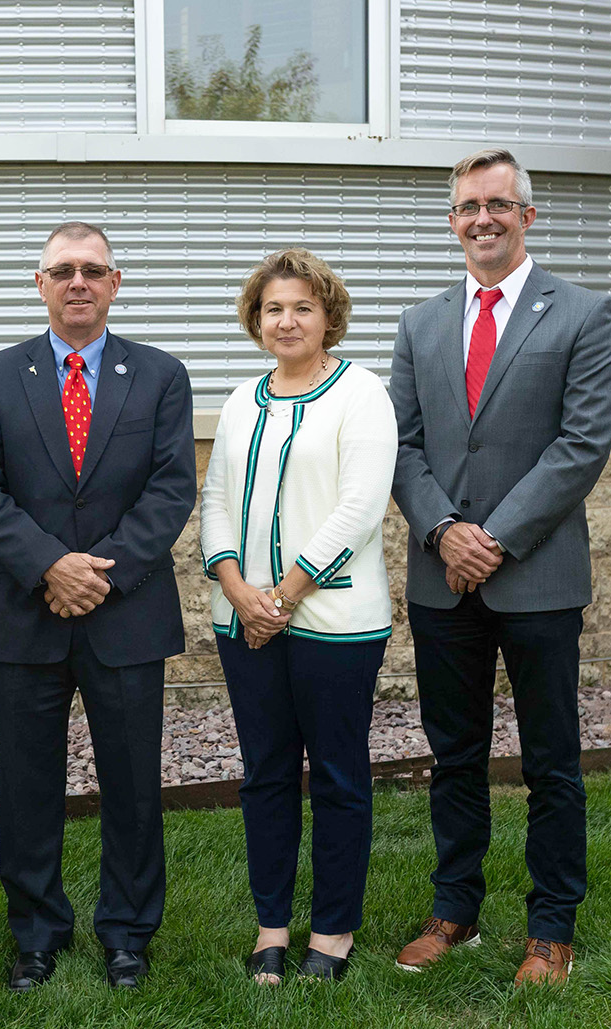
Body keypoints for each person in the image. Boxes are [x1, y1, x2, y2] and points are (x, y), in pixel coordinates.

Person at [389, 147, 611, 985]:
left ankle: (551, 925)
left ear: (528, 213)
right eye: (466, 207)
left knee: (550, 759)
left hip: (538, 576)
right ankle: (455, 908)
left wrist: (492, 538)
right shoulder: (418, 324)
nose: (481, 219)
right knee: (455, 755)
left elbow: (582, 442)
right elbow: (402, 445)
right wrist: (446, 530)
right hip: (440, 577)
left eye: (497, 204)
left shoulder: (584, 313)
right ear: (452, 222)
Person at [0, 221, 196, 991]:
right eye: (62, 270)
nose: (78, 283)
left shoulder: (160, 375)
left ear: (115, 282)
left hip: (126, 612)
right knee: (27, 784)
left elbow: (170, 489)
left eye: (93, 269)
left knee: (132, 783)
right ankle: (36, 932)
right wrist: (49, 567)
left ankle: (128, 931)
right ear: (40, 284)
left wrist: (99, 574)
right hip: (28, 611)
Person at [199, 248, 397, 983]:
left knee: (340, 776)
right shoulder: (243, 398)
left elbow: (360, 507)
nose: (287, 320)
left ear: (328, 316)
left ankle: (335, 931)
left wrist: (280, 596)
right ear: (257, 318)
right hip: (242, 620)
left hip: (336, 625)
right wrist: (238, 589)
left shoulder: (362, 393)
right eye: (274, 308)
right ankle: (271, 926)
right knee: (266, 774)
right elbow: (215, 498)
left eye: (302, 307)